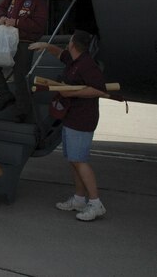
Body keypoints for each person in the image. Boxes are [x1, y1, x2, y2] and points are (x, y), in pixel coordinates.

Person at [29, 30, 107, 221]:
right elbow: (60, 54)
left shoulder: (87, 64)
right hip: (72, 117)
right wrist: (46, 47)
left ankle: (96, 204)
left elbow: (99, 90)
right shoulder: (75, 60)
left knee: (80, 160)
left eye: (69, 41)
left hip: (82, 119)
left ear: (73, 44)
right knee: (74, 160)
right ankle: (79, 199)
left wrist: (70, 93)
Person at [0, 0, 48, 123]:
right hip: (7, 40)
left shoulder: (38, 2)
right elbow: (0, 8)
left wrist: (17, 22)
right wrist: (1, 17)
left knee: (20, 76)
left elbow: (39, 25)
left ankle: (22, 111)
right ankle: (5, 95)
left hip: (24, 42)